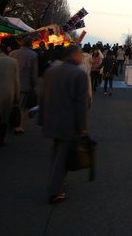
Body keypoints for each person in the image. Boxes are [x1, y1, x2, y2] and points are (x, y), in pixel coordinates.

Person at [38, 45, 89, 205]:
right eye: (80, 54)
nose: (82, 57)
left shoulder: (51, 71)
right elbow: (81, 104)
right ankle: (55, 190)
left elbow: (43, 96)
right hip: (68, 122)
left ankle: (57, 181)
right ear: (74, 55)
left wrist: (42, 118)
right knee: (63, 156)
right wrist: (82, 126)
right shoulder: (79, 74)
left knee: (56, 152)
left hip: (51, 119)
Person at [9, 36, 38, 134]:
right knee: (22, 106)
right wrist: (34, 85)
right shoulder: (33, 55)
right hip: (25, 83)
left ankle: (9, 123)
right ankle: (18, 126)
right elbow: (34, 73)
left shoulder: (12, 53)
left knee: (12, 104)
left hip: (11, 83)